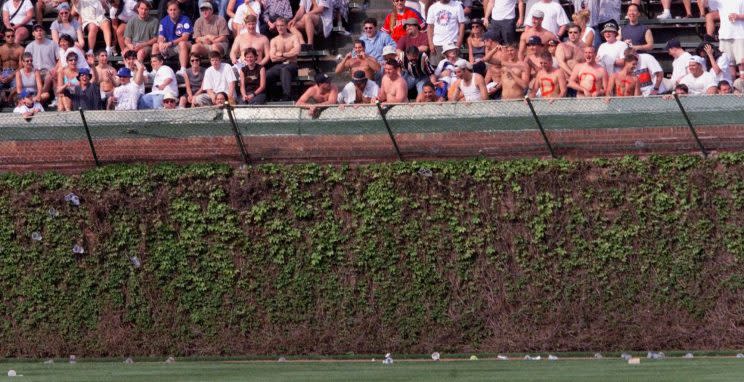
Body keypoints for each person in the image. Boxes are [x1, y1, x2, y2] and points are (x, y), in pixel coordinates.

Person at [153, 0, 193, 76]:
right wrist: (161, 43)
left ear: (179, 10)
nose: (173, 12)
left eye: (175, 9)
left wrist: (170, 43)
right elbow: (160, 36)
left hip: (183, 46)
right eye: (170, 10)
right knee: (155, 46)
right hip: (170, 47)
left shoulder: (185, 19)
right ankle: (155, 71)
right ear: (167, 11)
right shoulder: (164, 21)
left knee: (182, 43)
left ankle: (183, 70)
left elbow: (185, 37)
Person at [267, 17, 299, 101]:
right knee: (267, 73)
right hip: (278, 66)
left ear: (286, 26)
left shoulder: (294, 37)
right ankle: (271, 96)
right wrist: (288, 54)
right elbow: (272, 58)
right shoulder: (274, 40)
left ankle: (287, 96)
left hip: (292, 65)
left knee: (285, 70)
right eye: (277, 26)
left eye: (282, 25)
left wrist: (281, 54)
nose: (279, 28)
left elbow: (296, 52)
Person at [24, 24, 57, 97]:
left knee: (51, 75)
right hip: (35, 71)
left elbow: (59, 59)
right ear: (33, 33)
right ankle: (42, 95)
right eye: (36, 31)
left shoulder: (52, 44)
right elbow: (25, 62)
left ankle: (42, 95)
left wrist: (55, 69)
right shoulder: (29, 47)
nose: (39, 32)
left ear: (44, 32)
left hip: (50, 71)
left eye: (40, 30)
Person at [716, 0, 744, 76]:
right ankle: (731, 85)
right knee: (729, 65)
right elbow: (704, 4)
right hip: (724, 35)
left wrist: (739, 16)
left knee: (742, 63)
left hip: (740, 35)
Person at [0, 28, 23, 104]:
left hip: (15, 72)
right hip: (3, 72)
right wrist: (0, 76)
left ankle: (9, 98)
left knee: (19, 87)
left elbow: (21, 66)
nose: (10, 38)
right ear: (4, 37)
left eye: (12, 36)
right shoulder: (1, 49)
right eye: (8, 36)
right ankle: (3, 95)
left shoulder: (20, 49)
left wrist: (12, 75)